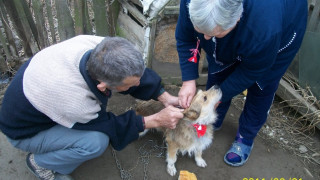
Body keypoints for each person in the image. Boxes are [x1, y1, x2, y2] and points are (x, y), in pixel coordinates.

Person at [0, 35, 184, 180]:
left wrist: (164, 96)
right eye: (130, 85)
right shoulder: (76, 101)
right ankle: (42, 163)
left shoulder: (103, 47)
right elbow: (107, 126)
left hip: (41, 100)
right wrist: (156, 120)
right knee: (95, 142)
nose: (137, 85)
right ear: (103, 86)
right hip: (24, 131)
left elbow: (134, 74)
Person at [176, 0, 307, 166]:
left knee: (261, 86)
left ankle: (245, 136)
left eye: (214, 33)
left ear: (237, 18)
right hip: (244, 28)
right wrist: (188, 80)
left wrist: (220, 96)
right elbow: (186, 37)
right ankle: (212, 118)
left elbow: (253, 70)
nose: (206, 38)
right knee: (219, 70)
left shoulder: (265, 28)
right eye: (201, 31)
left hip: (279, 35)